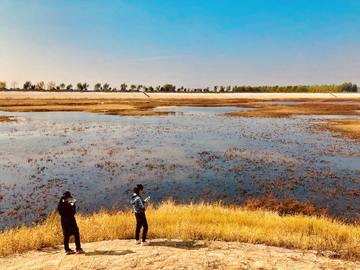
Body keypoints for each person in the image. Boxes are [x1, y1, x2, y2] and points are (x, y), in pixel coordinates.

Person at [57, 191, 85, 255]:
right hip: (71, 221)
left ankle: (67, 250)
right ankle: (78, 248)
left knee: (66, 236)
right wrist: (74, 206)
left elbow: (62, 214)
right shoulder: (67, 204)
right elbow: (72, 213)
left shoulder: (60, 205)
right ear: (67, 197)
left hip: (64, 223)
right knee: (76, 234)